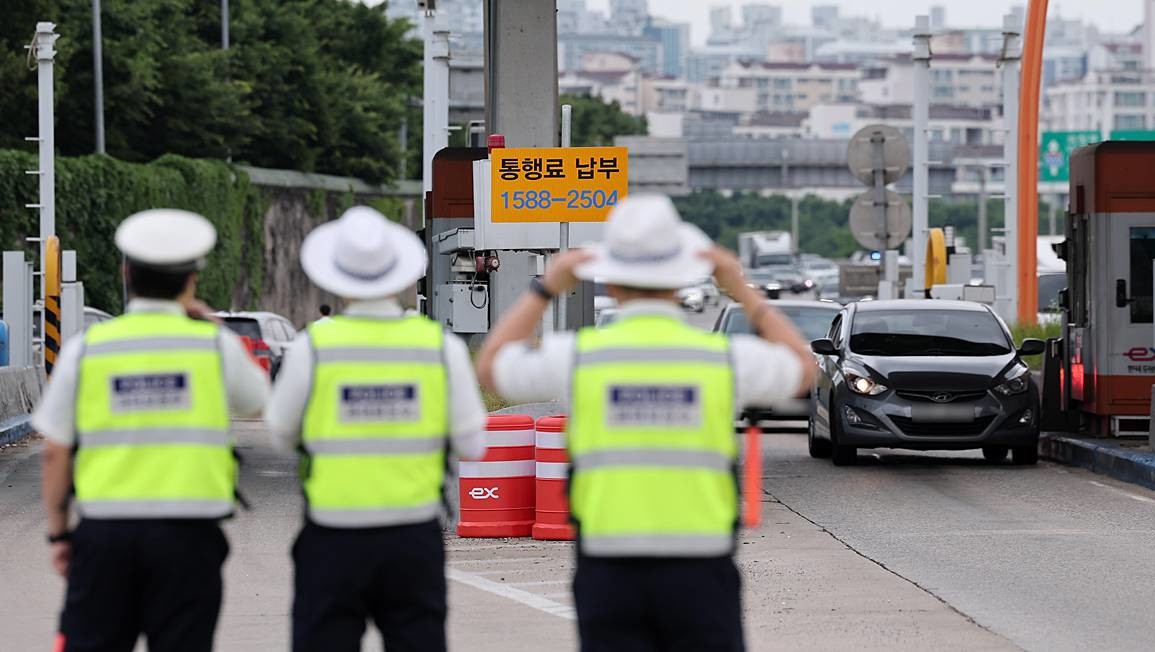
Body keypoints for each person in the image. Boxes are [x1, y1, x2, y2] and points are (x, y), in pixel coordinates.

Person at [476, 193, 816, 651]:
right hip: (700, 565)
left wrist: (546, 288)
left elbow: (491, 366)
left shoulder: (580, 356)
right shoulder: (722, 359)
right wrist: (740, 288)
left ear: (610, 282)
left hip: (609, 566)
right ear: (681, 280)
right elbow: (805, 369)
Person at [36, 209, 271, 652]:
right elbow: (258, 401)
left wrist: (60, 534)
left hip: (105, 538)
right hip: (190, 539)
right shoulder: (213, 345)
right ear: (192, 279)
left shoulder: (87, 351)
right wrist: (216, 328)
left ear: (126, 272)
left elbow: (55, 452)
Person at [266, 206, 487, 652]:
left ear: (337, 277)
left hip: (332, 535)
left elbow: (279, 433)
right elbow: (472, 442)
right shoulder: (439, 347)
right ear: (399, 274)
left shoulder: (314, 345)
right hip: (412, 535)